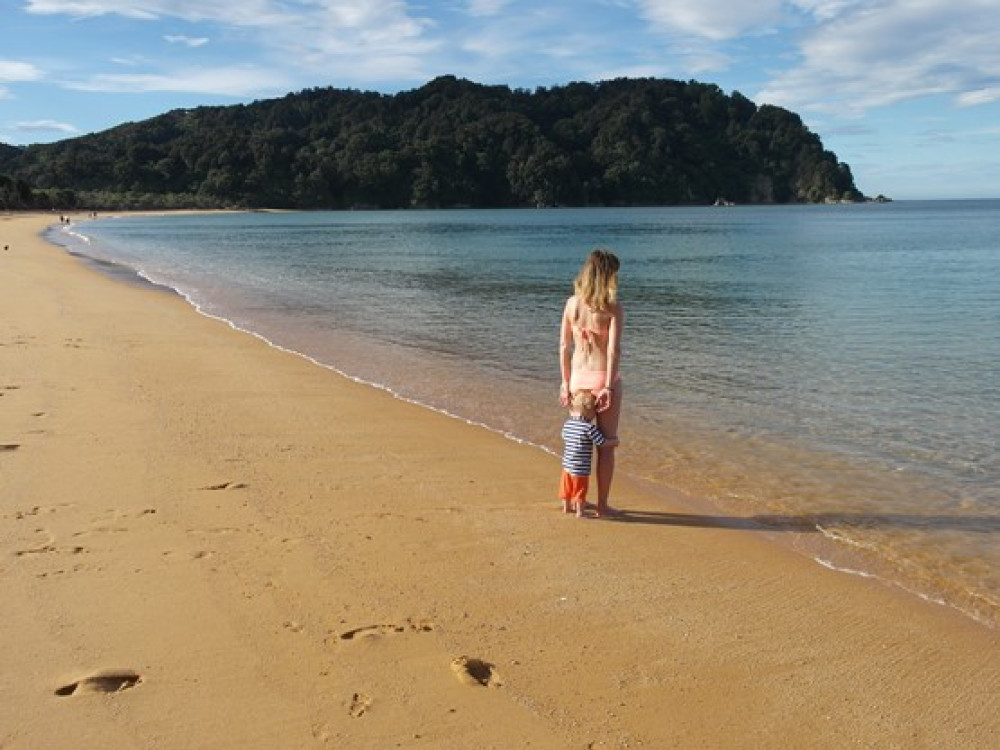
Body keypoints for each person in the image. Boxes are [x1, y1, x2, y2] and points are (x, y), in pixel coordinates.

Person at [559, 249, 623, 517]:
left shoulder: (571, 304)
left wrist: (564, 383)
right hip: (601, 378)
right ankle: (603, 504)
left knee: (576, 443)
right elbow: (613, 351)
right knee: (605, 446)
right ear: (608, 276)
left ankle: (572, 498)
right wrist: (608, 386)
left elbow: (564, 346)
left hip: (576, 380)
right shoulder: (612, 308)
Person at [559, 390, 618, 517]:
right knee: (580, 489)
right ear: (589, 411)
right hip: (580, 467)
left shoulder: (568, 424)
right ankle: (580, 512)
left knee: (566, 488)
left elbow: (563, 436)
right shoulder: (589, 428)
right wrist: (613, 442)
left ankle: (566, 507)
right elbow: (601, 442)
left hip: (567, 464)